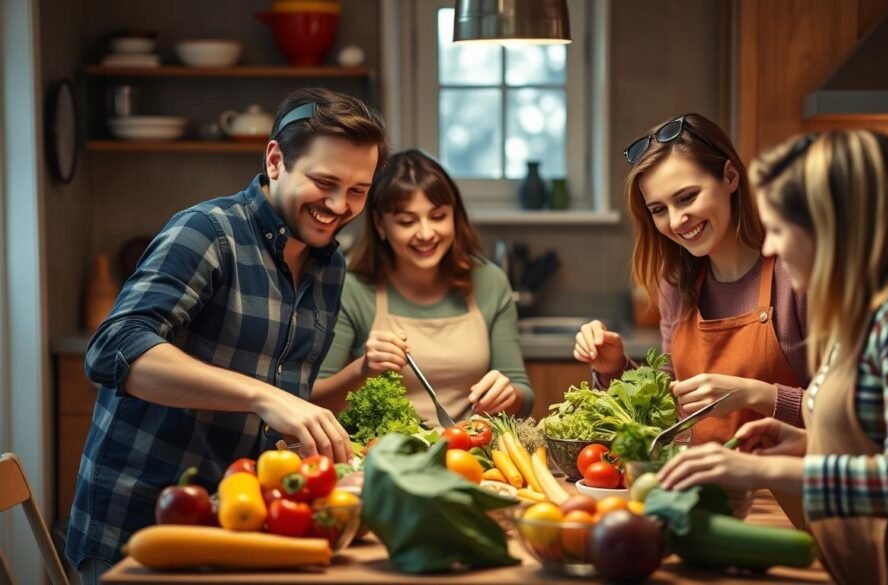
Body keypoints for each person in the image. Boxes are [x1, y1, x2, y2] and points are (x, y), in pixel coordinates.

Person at [66, 88, 388, 584]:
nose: (339, 205)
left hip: (240, 527)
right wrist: (262, 396)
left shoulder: (329, 265)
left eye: (358, 191)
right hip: (141, 530)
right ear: (276, 159)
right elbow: (114, 347)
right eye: (324, 182)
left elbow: (287, 405)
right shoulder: (208, 233)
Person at [658, 130, 888, 583]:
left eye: (779, 229)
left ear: (831, 224)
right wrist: (800, 443)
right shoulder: (865, 310)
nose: (770, 247)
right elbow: (874, 440)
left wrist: (763, 469)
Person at [574, 113, 809, 444]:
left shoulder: (795, 276)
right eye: (658, 209)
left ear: (730, 177)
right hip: (703, 487)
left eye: (687, 197)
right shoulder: (676, 285)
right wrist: (613, 368)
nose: (676, 221)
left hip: (787, 490)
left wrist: (756, 394)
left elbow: (850, 416)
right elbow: (672, 409)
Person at [314, 150, 534, 425]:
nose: (426, 233)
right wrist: (363, 369)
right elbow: (314, 402)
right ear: (380, 224)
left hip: (471, 452)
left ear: (455, 216)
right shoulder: (353, 288)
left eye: (438, 216)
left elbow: (523, 394)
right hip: (382, 454)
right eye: (407, 221)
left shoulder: (489, 281)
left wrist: (509, 396)